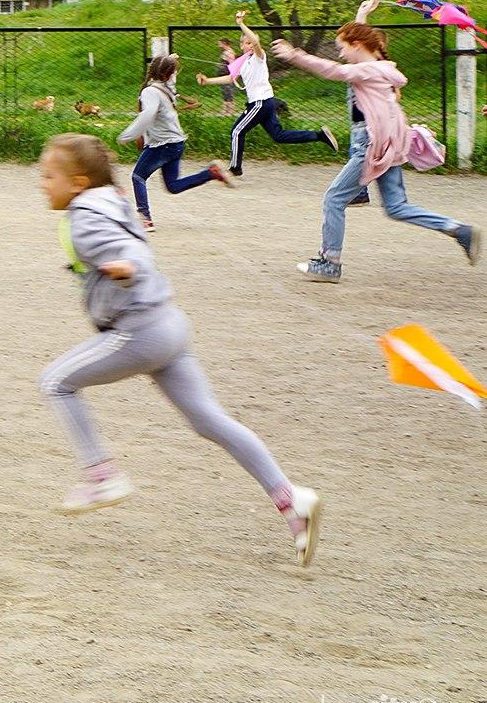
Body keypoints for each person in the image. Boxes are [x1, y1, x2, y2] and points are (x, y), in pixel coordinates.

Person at [36, 133, 323, 565]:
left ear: (77, 183)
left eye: (48, 176)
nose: (41, 183)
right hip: (169, 324)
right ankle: (291, 500)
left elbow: (132, 252)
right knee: (209, 420)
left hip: (141, 330)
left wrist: (128, 267)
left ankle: (100, 477)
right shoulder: (109, 200)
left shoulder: (84, 218)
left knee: (56, 382)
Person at [270, 2, 478, 282]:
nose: (341, 53)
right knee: (397, 207)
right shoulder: (381, 68)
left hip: (370, 145)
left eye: (343, 47)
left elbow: (334, 71)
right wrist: (361, 17)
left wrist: (295, 55)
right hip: (385, 144)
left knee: (333, 198)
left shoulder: (365, 71)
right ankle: (458, 229)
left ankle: (329, 262)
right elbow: (360, 49)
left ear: (357, 45)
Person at [195, 12, 338, 177]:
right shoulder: (243, 62)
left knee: (236, 131)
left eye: (251, 42)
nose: (250, 45)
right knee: (278, 135)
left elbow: (256, 42)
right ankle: (320, 135)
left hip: (260, 103)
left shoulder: (258, 57)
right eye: (246, 43)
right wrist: (208, 81)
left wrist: (241, 24)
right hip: (265, 103)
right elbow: (230, 78)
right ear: (241, 45)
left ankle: (235, 168)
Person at [115, 55, 231, 232]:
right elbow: (167, 73)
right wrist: (169, 60)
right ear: (169, 75)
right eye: (174, 72)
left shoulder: (150, 91)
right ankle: (211, 173)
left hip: (162, 144)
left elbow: (147, 114)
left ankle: (145, 219)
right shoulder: (167, 88)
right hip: (176, 143)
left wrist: (128, 135)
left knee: (138, 177)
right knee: (173, 186)